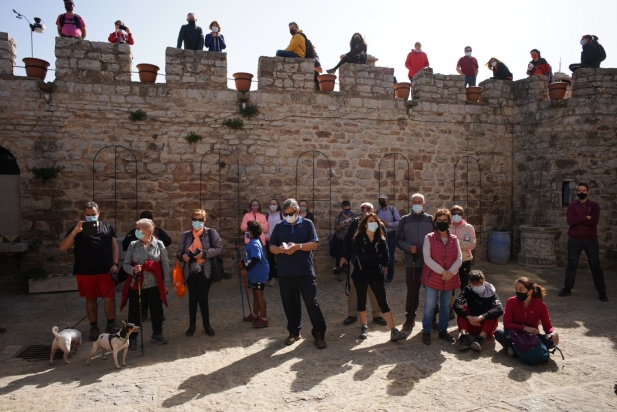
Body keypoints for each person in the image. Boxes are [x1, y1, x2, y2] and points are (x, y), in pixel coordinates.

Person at [269, 198, 326, 349]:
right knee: (289, 304)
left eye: (291, 213)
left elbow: (314, 244)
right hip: (285, 273)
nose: (288, 216)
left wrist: (298, 246)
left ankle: (319, 333)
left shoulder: (307, 224)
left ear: (298, 211)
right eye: (285, 214)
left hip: (304, 272)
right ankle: (294, 331)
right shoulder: (280, 227)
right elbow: (271, 247)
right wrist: (280, 250)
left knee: (311, 303)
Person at [59, 202, 118, 341]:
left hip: (105, 270)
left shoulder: (107, 227)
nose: (91, 217)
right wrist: (75, 232)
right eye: (88, 215)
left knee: (110, 299)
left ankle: (111, 325)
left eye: (93, 215)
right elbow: (63, 247)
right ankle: (94, 327)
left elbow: (114, 247)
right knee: (90, 299)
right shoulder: (78, 228)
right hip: (85, 271)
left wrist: (115, 263)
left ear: (99, 214)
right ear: (84, 215)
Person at [351, 213, 405, 342]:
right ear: (365, 224)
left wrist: (373, 257)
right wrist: (376, 257)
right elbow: (359, 254)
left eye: (375, 221)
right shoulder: (359, 237)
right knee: (361, 300)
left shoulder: (380, 238)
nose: (373, 223)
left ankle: (393, 330)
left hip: (376, 273)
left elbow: (385, 256)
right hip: (361, 273)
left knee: (383, 301)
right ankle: (364, 326)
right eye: (370, 221)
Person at [121, 218, 170, 349]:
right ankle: (132, 338)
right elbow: (125, 265)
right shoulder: (133, 245)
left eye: (138, 229)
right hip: (137, 284)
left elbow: (165, 265)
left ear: (147, 230)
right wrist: (133, 270)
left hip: (154, 284)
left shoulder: (159, 244)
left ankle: (157, 333)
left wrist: (166, 284)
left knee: (156, 310)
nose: (136, 231)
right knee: (134, 312)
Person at [177, 209, 223, 337]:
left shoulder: (211, 233)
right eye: (195, 219)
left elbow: (219, 248)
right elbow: (179, 252)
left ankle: (207, 325)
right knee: (192, 298)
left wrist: (205, 254)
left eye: (200, 220)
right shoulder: (186, 235)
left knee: (203, 298)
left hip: (205, 271)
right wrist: (183, 256)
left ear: (204, 220)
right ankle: (192, 326)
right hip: (190, 272)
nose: (197, 222)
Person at [558, 183, 608, 302]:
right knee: (572, 265)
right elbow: (570, 221)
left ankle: (601, 291)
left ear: (588, 192)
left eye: (584, 190)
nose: (582, 192)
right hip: (574, 239)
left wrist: (579, 220)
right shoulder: (572, 205)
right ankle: (567, 288)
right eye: (579, 190)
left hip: (590, 239)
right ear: (576, 193)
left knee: (595, 264)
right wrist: (586, 217)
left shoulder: (594, 206)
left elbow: (594, 222)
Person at [340, 202, 387, 326]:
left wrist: (385, 263)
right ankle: (352, 314)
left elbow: (385, 245)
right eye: (363, 208)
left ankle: (377, 315)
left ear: (373, 211)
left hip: (374, 263)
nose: (365, 210)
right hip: (358, 263)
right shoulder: (355, 223)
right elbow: (347, 240)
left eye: (368, 208)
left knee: (375, 288)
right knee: (355, 288)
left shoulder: (379, 224)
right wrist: (344, 257)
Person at [420, 208, 462, 345]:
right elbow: (427, 258)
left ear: (449, 222)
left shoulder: (454, 239)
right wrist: (443, 272)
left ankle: (443, 330)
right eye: (439, 220)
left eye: (445, 220)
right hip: (433, 278)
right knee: (430, 305)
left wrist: (451, 272)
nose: (442, 222)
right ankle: (427, 330)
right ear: (435, 222)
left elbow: (459, 258)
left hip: (450, 278)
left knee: (445, 306)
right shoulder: (429, 238)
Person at [396, 193, 434, 333]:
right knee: (412, 293)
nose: (417, 204)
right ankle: (410, 319)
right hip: (411, 264)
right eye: (415, 201)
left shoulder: (431, 219)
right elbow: (398, 240)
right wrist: (408, 248)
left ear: (424, 204)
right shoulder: (404, 220)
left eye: (420, 202)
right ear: (411, 203)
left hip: (430, 264)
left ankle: (432, 320)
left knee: (432, 293)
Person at [495, 277, 559, 357]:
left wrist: (553, 332)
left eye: (521, 290)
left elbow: (547, 327)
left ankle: (516, 350)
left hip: (531, 337)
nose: (517, 292)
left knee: (550, 340)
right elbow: (507, 324)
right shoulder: (511, 301)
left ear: (530, 291)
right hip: (514, 335)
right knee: (498, 333)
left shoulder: (541, 306)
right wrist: (525, 328)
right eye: (516, 289)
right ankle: (522, 351)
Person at [453, 270, 503, 352]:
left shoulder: (491, 292)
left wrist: (482, 317)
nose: (478, 285)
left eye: (480, 283)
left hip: (485, 327)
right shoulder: (468, 290)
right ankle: (464, 338)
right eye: (475, 284)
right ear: (471, 283)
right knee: (462, 309)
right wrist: (468, 317)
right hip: (471, 323)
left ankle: (479, 339)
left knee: (493, 312)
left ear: (484, 281)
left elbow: (499, 309)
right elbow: (457, 304)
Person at [448, 205, 476, 319]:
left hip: (464, 260)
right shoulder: (447, 227)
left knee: (464, 285)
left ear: (463, 215)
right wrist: (462, 244)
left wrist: (455, 242)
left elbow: (472, 244)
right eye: (454, 213)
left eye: (459, 213)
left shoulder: (468, 227)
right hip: (450, 260)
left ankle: (462, 307)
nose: (456, 215)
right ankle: (450, 308)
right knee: (451, 286)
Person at [241, 221, 270, 328]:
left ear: (252, 232)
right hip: (255, 273)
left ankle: (264, 318)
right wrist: (243, 262)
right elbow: (250, 256)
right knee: (256, 294)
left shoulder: (253, 243)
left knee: (259, 294)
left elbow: (256, 257)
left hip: (259, 272)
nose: (247, 232)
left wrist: (246, 269)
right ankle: (255, 315)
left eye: (248, 230)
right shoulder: (254, 241)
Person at [376, 195, 401, 285]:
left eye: (383, 200)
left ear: (387, 201)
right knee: (380, 255)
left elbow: (399, 221)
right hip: (381, 235)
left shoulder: (392, 210)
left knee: (389, 256)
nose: (381, 201)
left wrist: (389, 224)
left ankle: (389, 277)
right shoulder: (378, 211)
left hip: (391, 235)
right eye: (380, 200)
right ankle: (381, 276)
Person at [265, 199, 283, 287]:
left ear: (277, 205)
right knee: (271, 260)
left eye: (274, 204)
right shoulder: (267, 216)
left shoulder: (281, 215)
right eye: (271, 204)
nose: (273, 205)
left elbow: (284, 227)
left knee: (280, 259)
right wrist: (266, 236)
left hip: (279, 241)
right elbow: (265, 227)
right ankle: (273, 277)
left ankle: (281, 276)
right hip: (269, 241)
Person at [334, 200, 355, 271]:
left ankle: (348, 270)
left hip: (350, 240)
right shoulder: (339, 217)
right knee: (340, 255)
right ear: (342, 209)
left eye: (349, 209)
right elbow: (336, 228)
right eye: (346, 209)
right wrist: (340, 226)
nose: (347, 211)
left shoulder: (353, 216)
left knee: (350, 255)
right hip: (341, 239)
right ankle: (339, 271)